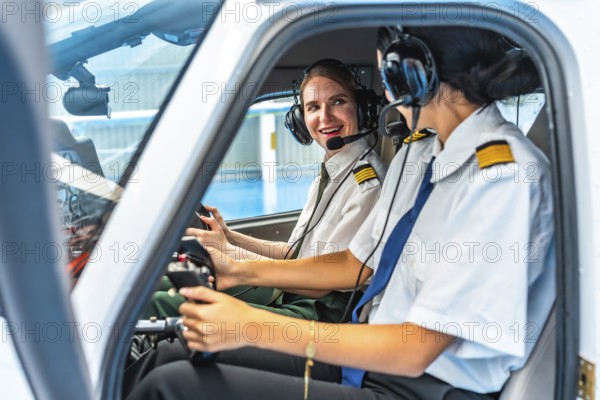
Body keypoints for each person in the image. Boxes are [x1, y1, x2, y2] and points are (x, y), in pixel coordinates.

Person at [125, 26, 554, 400]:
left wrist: (250, 323)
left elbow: (415, 349)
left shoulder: (504, 176)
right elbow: (356, 263)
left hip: (416, 385)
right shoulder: (421, 154)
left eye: (387, 73)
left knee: (174, 387)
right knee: (169, 357)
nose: (386, 93)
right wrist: (241, 273)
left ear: (411, 72)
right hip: (371, 355)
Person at [141, 59, 387, 323]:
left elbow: (318, 284)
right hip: (297, 291)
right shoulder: (333, 171)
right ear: (301, 119)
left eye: (338, 102)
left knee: (163, 303)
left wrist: (230, 255)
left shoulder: (366, 184)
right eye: (313, 107)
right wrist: (229, 237)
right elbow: (293, 254)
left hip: (322, 311)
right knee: (159, 285)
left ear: (362, 109)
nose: (324, 117)